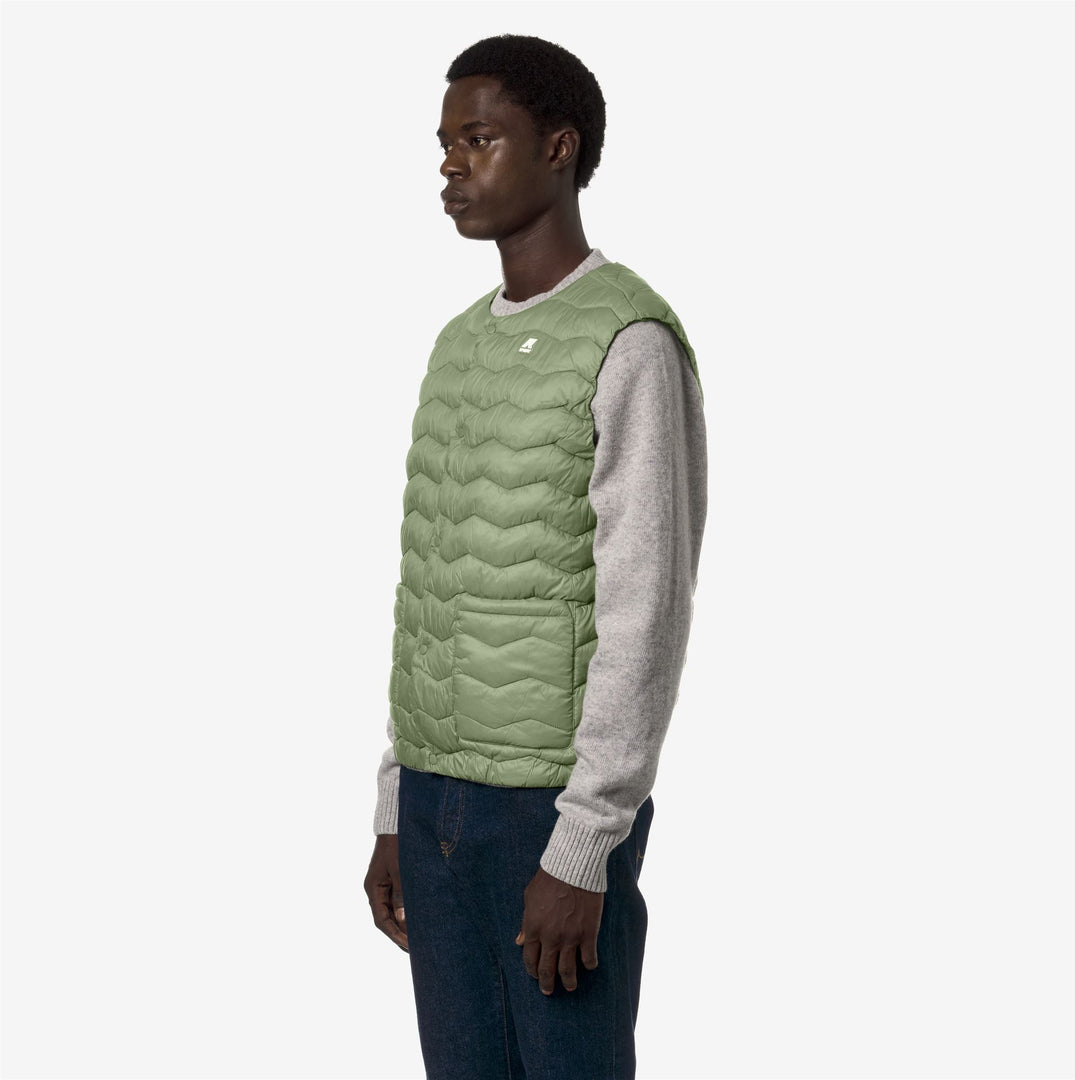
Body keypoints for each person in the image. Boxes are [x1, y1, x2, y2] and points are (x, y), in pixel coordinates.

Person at [363, 33, 708, 1080]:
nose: (451, 165)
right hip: (436, 802)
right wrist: (395, 803)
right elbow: (434, 587)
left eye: (479, 139)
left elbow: (646, 607)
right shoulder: (458, 343)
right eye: (444, 143)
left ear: (559, 148)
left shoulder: (628, 340)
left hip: (546, 816)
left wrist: (586, 842)